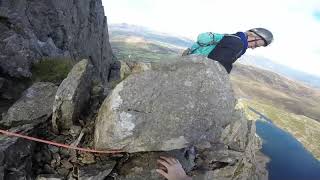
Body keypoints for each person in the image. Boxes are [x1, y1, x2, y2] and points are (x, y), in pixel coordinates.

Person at [182, 28, 274, 73]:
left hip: (192, 61)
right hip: (196, 68)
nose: (253, 47)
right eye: (256, 44)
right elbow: (219, 64)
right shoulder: (238, 44)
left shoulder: (233, 37)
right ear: (252, 36)